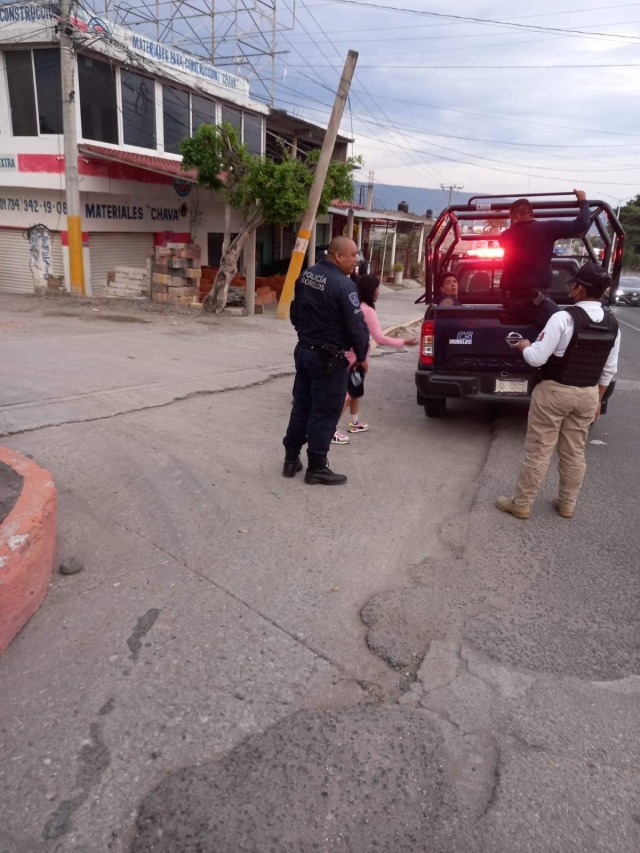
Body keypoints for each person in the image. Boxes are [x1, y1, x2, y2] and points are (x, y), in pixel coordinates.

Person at [496, 263, 620, 520]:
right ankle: (566, 503)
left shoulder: (563, 318)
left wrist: (524, 345)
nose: (571, 288)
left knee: (540, 450)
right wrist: (597, 399)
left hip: (554, 392)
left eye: (573, 284)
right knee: (574, 452)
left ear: (579, 288)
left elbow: (535, 358)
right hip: (587, 394)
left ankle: (521, 503)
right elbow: (609, 371)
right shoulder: (612, 324)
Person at [283, 236, 370, 485]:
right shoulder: (343, 285)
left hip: (304, 350)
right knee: (325, 411)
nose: (357, 260)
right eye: (353, 255)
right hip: (328, 357)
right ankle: (317, 467)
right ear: (338, 256)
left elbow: (295, 312)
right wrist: (362, 356)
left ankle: (291, 460)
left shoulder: (307, 275)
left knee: (302, 405)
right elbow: (356, 326)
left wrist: (308, 335)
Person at [333, 274, 418, 441]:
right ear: (371, 290)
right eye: (377, 288)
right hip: (356, 358)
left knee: (355, 390)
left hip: (349, 353)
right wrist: (404, 341)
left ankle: (354, 421)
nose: (379, 291)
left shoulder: (354, 306)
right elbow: (380, 338)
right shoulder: (367, 310)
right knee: (349, 393)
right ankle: (330, 430)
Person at [499, 188, 591, 327]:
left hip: (507, 300)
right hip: (533, 302)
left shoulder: (504, 236)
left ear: (516, 217)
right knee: (565, 326)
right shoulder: (547, 229)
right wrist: (583, 201)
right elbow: (582, 224)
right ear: (531, 213)